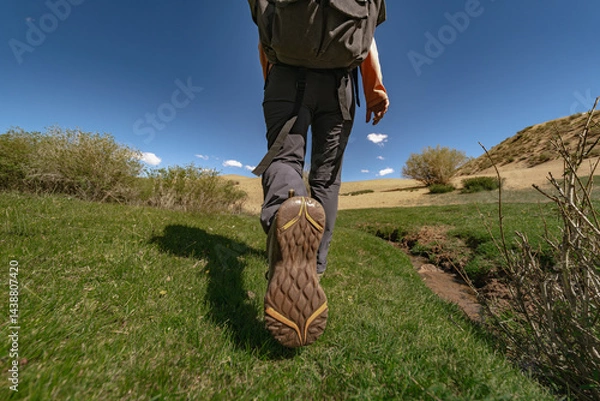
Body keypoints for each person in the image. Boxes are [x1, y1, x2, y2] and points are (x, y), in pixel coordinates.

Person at [248, 0, 389, 348]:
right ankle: (315, 265)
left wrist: (275, 79)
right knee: (326, 179)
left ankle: (285, 211)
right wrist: (375, 89)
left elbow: (265, 32)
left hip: (285, 75)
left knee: (285, 159)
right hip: (340, 86)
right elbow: (367, 39)